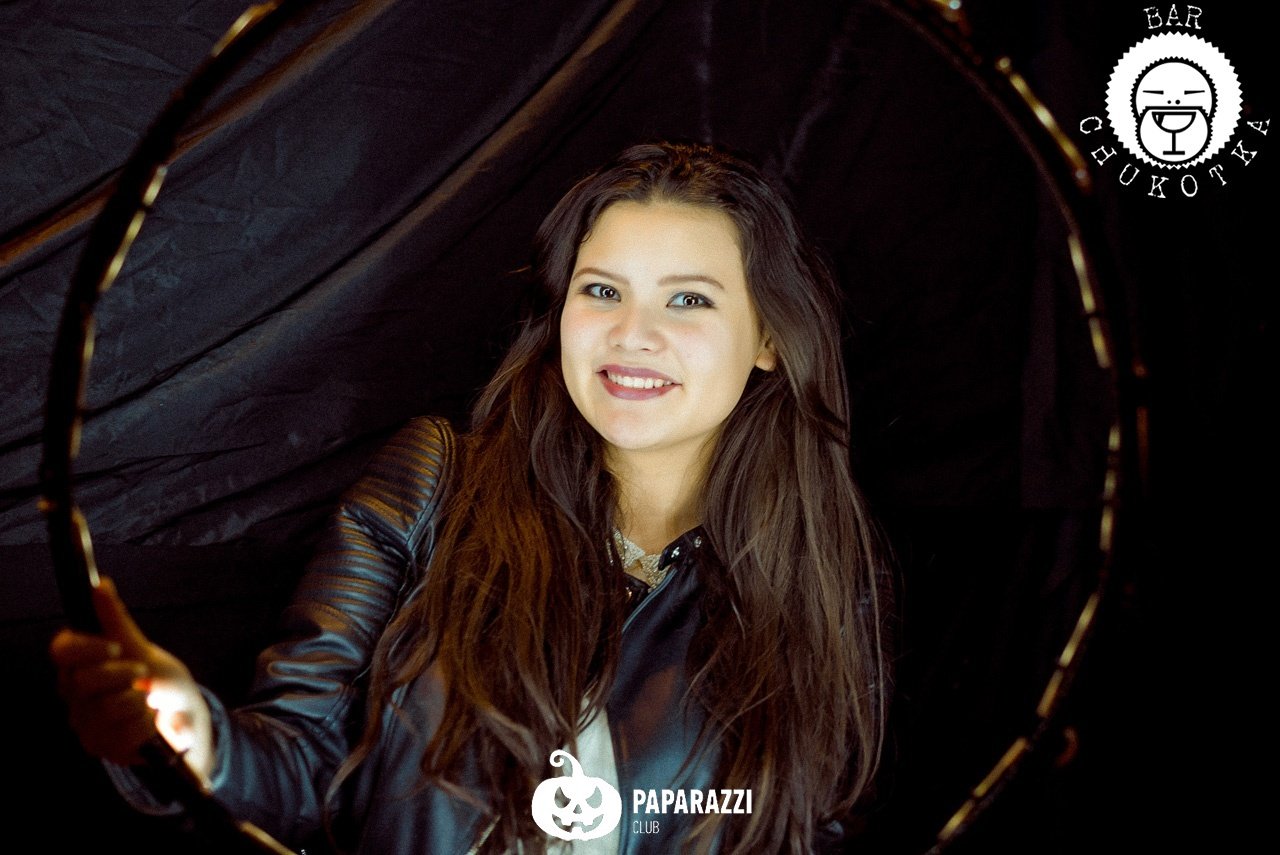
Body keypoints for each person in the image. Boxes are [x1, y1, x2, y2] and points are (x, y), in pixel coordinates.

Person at [51, 142, 889, 854]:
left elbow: (812, 827)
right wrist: (193, 739)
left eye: (689, 299)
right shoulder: (433, 487)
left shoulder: (818, 571)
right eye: (602, 290)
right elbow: (300, 766)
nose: (633, 332)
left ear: (769, 336)